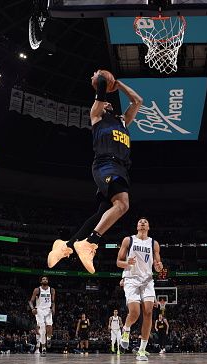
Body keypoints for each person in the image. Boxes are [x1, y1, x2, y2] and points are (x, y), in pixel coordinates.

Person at [47, 71, 143, 274]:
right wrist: (101, 79)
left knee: (101, 214)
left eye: (108, 103)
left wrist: (118, 84)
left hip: (121, 168)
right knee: (123, 204)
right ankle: (90, 242)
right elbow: (100, 93)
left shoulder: (123, 122)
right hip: (105, 164)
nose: (106, 104)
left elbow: (137, 101)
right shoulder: (97, 116)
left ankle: (65, 246)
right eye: (104, 102)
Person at [117, 217, 163, 361]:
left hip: (147, 280)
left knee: (148, 312)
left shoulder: (154, 243)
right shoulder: (128, 240)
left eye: (145, 222)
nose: (142, 223)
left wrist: (159, 267)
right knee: (135, 312)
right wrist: (126, 263)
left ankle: (142, 350)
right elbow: (118, 262)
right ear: (137, 226)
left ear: (148, 227)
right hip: (131, 278)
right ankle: (126, 329)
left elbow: (158, 264)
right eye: (140, 222)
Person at [28, 276, 56, 357]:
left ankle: (49, 339)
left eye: (46, 279)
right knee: (42, 330)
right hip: (39, 310)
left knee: (49, 326)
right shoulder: (37, 290)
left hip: (48, 310)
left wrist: (53, 309)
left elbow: (53, 302)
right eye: (43, 279)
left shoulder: (52, 290)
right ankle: (43, 348)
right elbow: (30, 301)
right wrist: (32, 308)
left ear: (48, 281)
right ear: (41, 281)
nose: (45, 280)